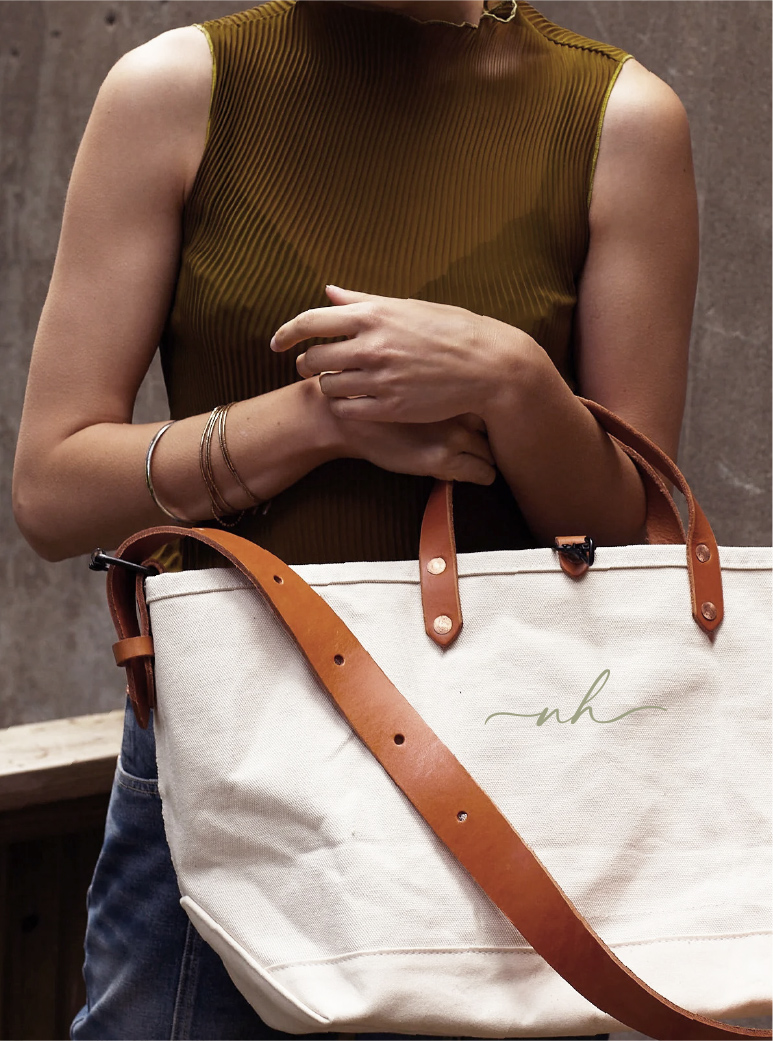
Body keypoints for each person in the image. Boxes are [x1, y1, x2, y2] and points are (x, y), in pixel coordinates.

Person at [12, 0, 698, 1037]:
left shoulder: (616, 118)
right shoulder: (177, 91)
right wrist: (314, 421)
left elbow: (636, 538)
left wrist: (515, 383)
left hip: (500, 757)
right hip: (224, 748)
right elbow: (53, 493)